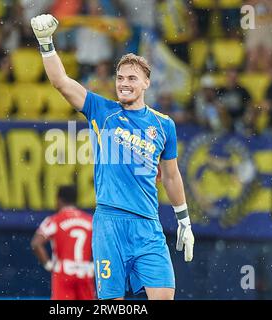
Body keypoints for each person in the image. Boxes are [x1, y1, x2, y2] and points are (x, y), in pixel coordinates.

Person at [30, 14, 194, 300]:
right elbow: (60, 81)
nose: (124, 83)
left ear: (146, 83)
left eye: (132, 78)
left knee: (165, 296)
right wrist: (46, 43)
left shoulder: (163, 125)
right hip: (109, 225)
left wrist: (184, 220)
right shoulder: (102, 111)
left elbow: (170, 175)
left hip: (148, 225)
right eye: (120, 78)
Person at [31, 186, 96, 300]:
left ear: (59, 200)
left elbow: (36, 243)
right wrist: (93, 266)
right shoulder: (90, 221)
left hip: (63, 273)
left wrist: (49, 265)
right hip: (85, 272)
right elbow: (105, 245)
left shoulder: (55, 220)